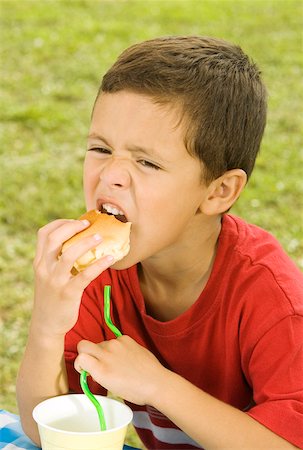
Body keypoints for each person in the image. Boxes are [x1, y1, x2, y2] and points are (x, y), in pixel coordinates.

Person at [17, 36, 303, 449]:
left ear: (218, 191)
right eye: (100, 148)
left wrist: (158, 386)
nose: (110, 175)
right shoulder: (100, 275)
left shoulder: (274, 300)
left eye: (146, 162)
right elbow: (46, 430)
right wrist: (47, 323)